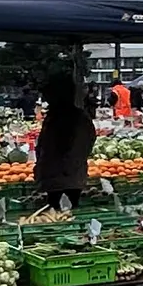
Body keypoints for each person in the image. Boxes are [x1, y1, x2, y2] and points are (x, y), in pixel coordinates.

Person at [32, 72, 96, 213]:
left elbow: (57, 147)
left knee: (61, 212)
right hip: (68, 176)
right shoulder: (70, 116)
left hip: (63, 176)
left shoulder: (66, 117)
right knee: (65, 212)